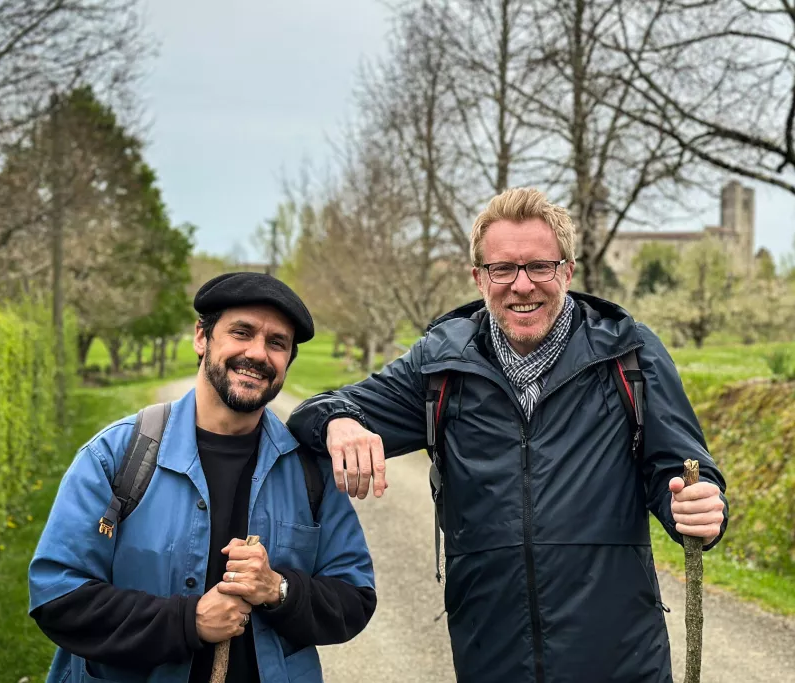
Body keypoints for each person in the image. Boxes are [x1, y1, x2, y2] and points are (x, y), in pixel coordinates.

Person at [287, 188, 728, 683]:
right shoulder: (441, 366)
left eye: (540, 266)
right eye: (502, 269)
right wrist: (341, 422)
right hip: (492, 660)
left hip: (620, 661)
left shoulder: (628, 355)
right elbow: (312, 413)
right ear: (479, 277)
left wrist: (700, 507)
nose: (522, 285)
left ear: (567, 271)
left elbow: (682, 470)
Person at [29, 272, 376, 683]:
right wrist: (187, 622)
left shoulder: (309, 471)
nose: (257, 353)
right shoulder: (117, 456)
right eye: (241, 332)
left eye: (277, 343)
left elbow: (354, 598)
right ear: (201, 337)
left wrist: (278, 589)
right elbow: (57, 594)